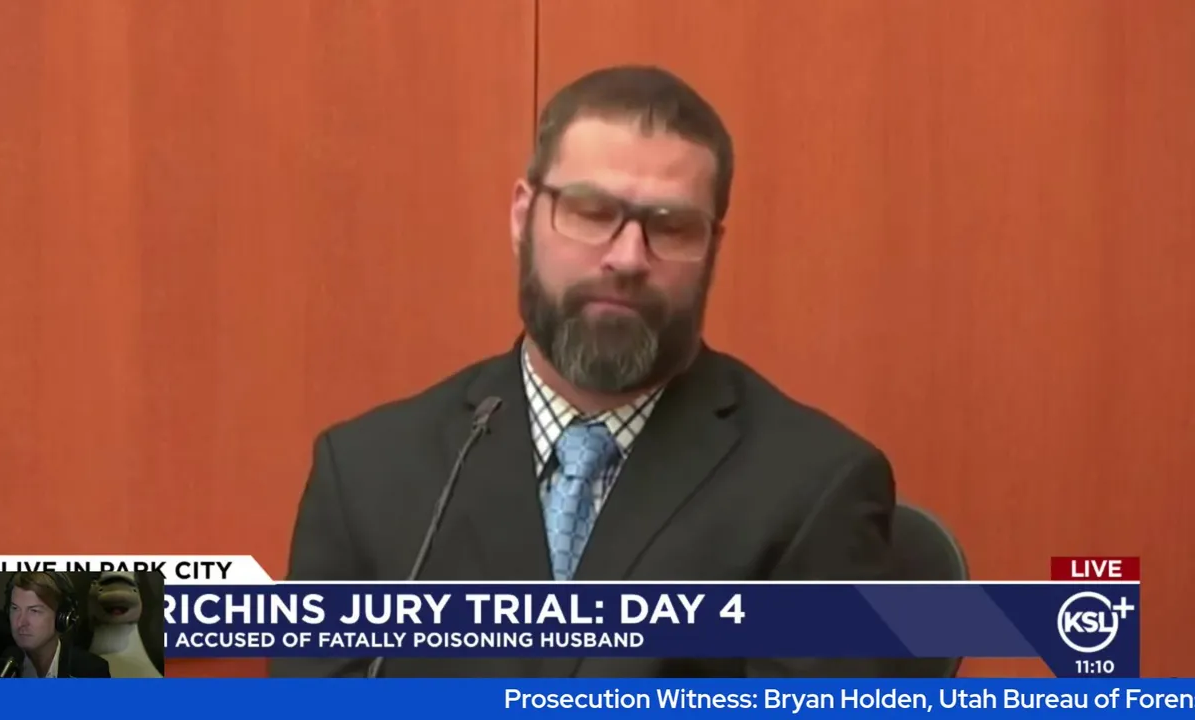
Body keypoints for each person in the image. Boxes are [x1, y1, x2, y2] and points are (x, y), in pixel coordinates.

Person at [273, 65, 896, 678]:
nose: (627, 258)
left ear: (712, 249)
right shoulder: (365, 476)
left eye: (671, 227)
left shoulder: (815, 489)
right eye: (593, 212)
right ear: (522, 217)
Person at [3, 572, 111, 678]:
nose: (20, 623)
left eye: (34, 611)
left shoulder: (92, 671)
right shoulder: (4, 668)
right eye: (15, 609)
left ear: (62, 617)